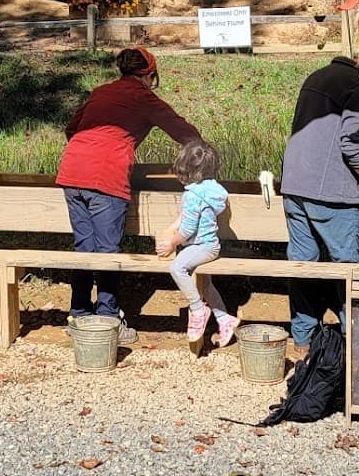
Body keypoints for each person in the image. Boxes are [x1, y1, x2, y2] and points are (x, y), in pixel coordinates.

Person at [57, 46, 200, 342]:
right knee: (108, 251)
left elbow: (72, 128)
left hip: (72, 169)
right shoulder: (144, 97)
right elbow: (182, 131)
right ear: (149, 75)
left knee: (84, 247)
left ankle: (79, 314)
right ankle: (108, 318)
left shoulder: (101, 91)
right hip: (106, 176)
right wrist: (204, 152)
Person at [279, 54, 359, 357]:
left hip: (294, 183)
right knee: (347, 266)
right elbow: (352, 143)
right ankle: (355, 341)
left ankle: (302, 339)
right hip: (331, 189)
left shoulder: (316, 75)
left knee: (303, 263)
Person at [155, 139, 238, 348]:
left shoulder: (193, 195)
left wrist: (172, 243)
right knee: (206, 285)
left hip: (202, 247)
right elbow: (185, 218)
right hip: (209, 245)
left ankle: (198, 310)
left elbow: (188, 229)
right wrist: (170, 231)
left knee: (177, 267)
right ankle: (225, 319)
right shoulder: (211, 190)